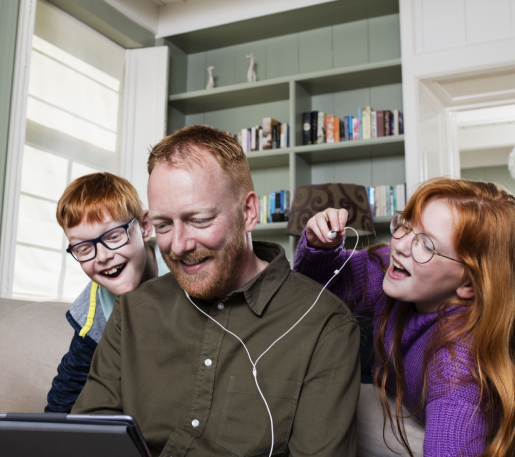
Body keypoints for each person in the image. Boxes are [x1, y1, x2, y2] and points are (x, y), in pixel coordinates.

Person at [72, 125, 361, 457]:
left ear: (249, 212)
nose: (178, 246)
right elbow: (89, 439)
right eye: (164, 225)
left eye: (200, 220)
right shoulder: (131, 313)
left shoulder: (325, 325)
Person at [294, 177, 515, 457]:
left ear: (468, 285)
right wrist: (319, 248)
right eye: (406, 225)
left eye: (427, 246)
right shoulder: (394, 268)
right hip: (401, 398)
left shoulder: (456, 369)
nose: (401, 245)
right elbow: (314, 294)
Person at [45, 172, 170, 413]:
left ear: (145, 227)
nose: (103, 257)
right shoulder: (93, 311)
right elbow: (68, 390)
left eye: (114, 236)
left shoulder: (185, 272)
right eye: (83, 248)